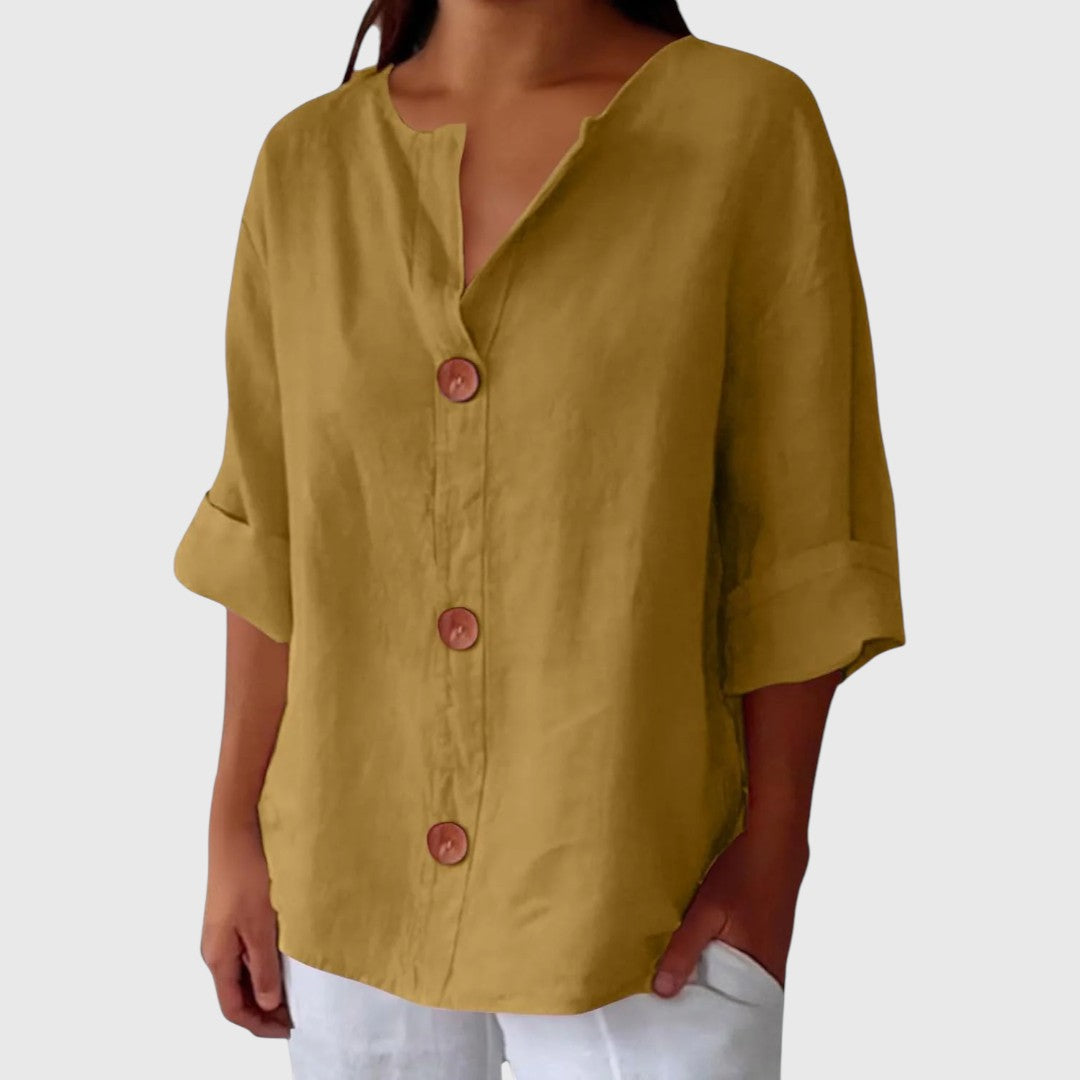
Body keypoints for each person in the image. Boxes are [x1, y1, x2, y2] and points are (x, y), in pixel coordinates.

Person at [173, 1, 906, 1076]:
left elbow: (800, 531)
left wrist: (774, 854)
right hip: (345, 885)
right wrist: (233, 830)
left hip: (644, 897)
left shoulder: (746, 127)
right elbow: (270, 530)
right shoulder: (306, 164)